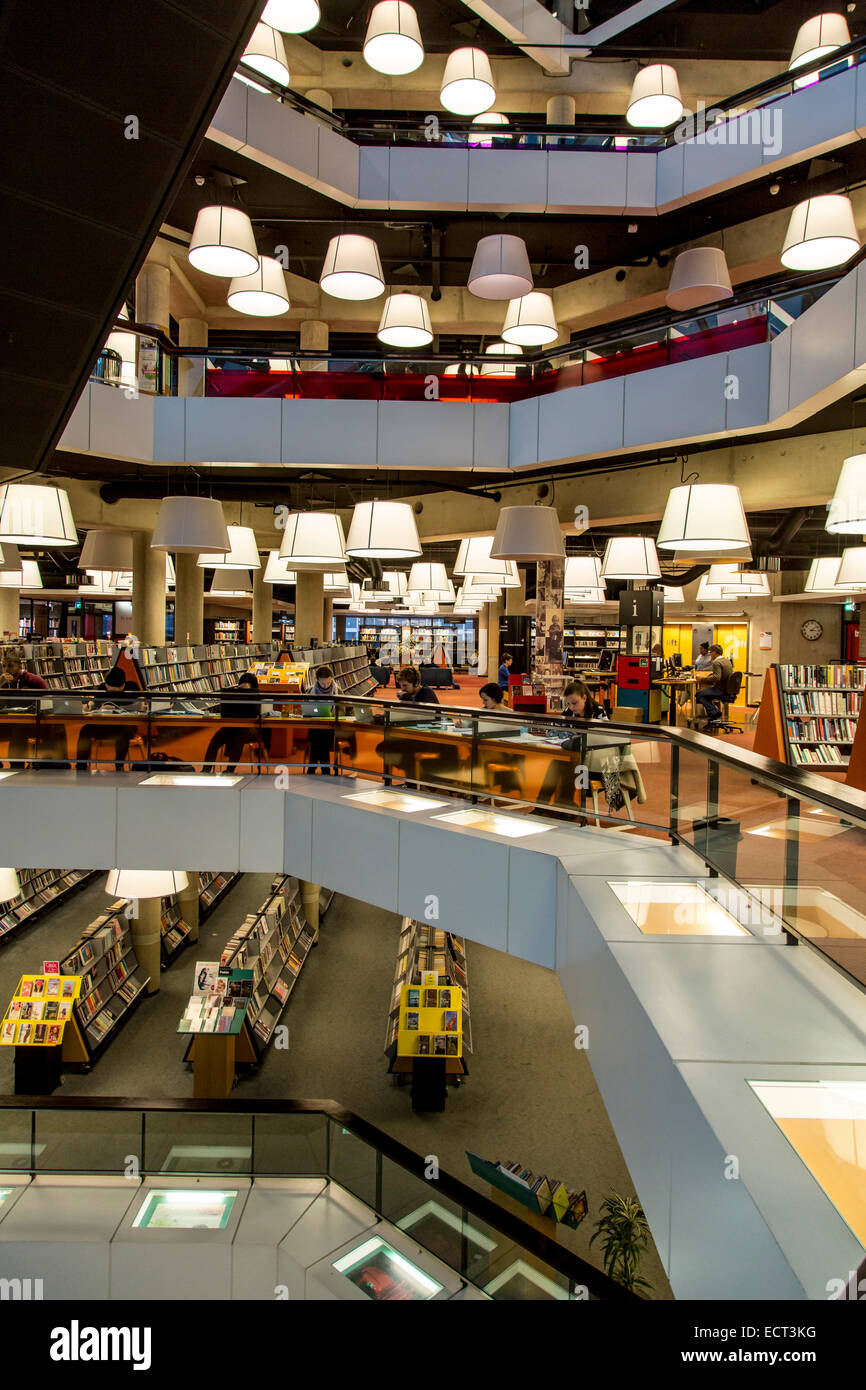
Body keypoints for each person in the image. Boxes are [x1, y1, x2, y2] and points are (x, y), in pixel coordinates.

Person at [75, 666, 143, 771]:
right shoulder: (103, 688)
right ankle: (81, 765)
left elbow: (141, 706)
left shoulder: (132, 687)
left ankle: (119, 765)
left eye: (115, 692)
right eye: (109, 690)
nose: (111, 693)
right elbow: (92, 704)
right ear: (106, 685)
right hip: (105, 725)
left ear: (123, 686)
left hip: (125, 726)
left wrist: (118, 708)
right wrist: (91, 707)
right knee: (85, 730)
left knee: (123, 732)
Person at [204, 673, 262, 773]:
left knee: (238, 739)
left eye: (246, 690)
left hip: (250, 729)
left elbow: (256, 713)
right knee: (215, 740)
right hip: (232, 727)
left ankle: (230, 770)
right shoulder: (233, 695)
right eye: (241, 689)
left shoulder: (256, 696)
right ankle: (205, 770)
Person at [306, 665, 341, 775]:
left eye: (328, 683)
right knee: (319, 735)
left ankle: (312, 766)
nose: (325, 686)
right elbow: (306, 710)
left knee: (319, 737)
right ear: (317, 680)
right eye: (322, 684)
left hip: (332, 727)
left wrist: (334, 716)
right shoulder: (310, 691)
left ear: (332, 679)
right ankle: (325, 767)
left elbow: (343, 710)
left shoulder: (338, 691)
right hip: (316, 725)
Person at [695, 644, 734, 727]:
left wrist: (702, 679)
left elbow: (717, 678)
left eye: (711, 652)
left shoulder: (716, 662)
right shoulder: (727, 661)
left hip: (720, 689)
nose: (709, 654)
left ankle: (714, 712)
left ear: (715, 653)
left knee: (699, 695)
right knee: (706, 696)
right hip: (727, 689)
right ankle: (713, 717)